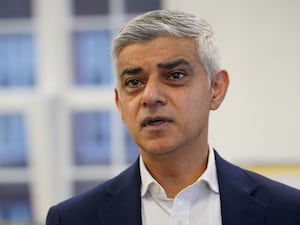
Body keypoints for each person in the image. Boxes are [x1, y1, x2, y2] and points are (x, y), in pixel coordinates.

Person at [46, 9, 300, 225]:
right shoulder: (72, 219)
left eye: (175, 75)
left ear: (216, 89)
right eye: (134, 82)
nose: (150, 96)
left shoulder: (288, 211)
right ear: (119, 104)